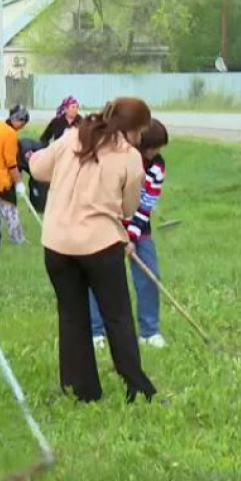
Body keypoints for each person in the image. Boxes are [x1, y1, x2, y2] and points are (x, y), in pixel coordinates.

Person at [28, 97, 158, 404]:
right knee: (117, 317)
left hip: (57, 243)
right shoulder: (128, 156)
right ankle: (137, 387)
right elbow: (128, 207)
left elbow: (37, 169)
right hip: (99, 243)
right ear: (136, 128)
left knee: (72, 315)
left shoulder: (73, 136)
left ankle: (80, 389)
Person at [90, 119, 170, 349]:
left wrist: (131, 236)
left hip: (139, 228)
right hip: (108, 224)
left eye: (159, 148)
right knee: (100, 277)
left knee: (150, 275)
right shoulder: (121, 160)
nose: (156, 153)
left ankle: (149, 331)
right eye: (153, 147)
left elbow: (146, 204)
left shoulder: (157, 167)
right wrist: (117, 232)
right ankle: (96, 331)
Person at [0, 104, 30, 244]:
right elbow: (11, 163)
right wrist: (19, 183)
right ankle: (18, 239)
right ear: (19, 121)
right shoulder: (11, 134)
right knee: (10, 208)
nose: (22, 126)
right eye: (23, 122)